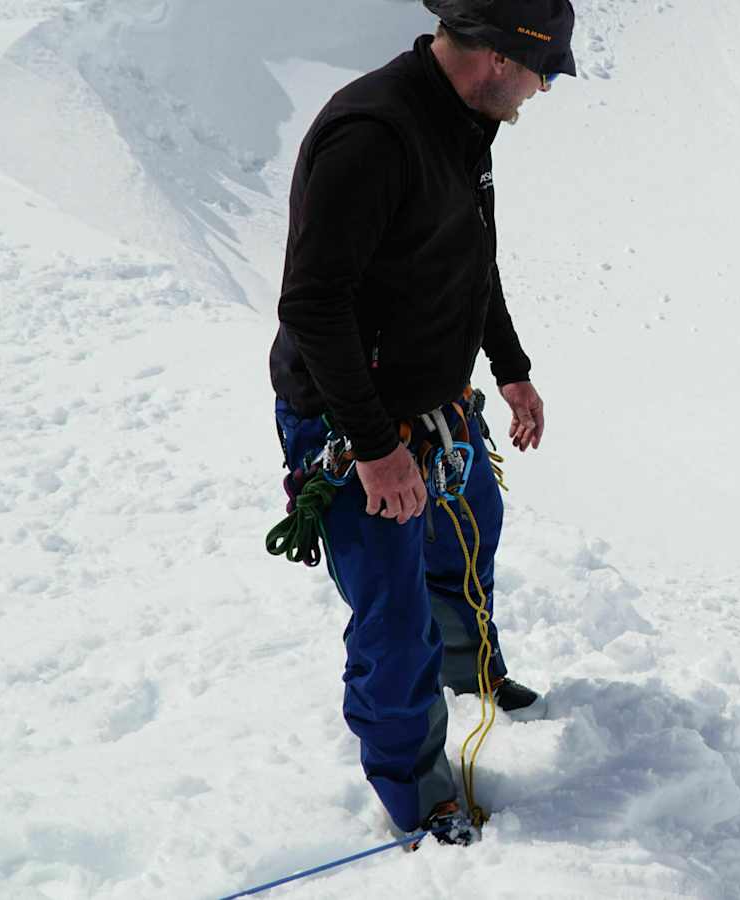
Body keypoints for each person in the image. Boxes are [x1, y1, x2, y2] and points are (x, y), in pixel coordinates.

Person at [268, 0, 576, 841]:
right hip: (355, 427)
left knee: (471, 529)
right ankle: (417, 793)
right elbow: (315, 303)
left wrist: (509, 370)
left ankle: (469, 674)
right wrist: (374, 451)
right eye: (544, 72)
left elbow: (469, 258)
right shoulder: (375, 135)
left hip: (439, 408)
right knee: (392, 615)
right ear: (501, 57)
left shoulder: (462, 123)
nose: (543, 89)